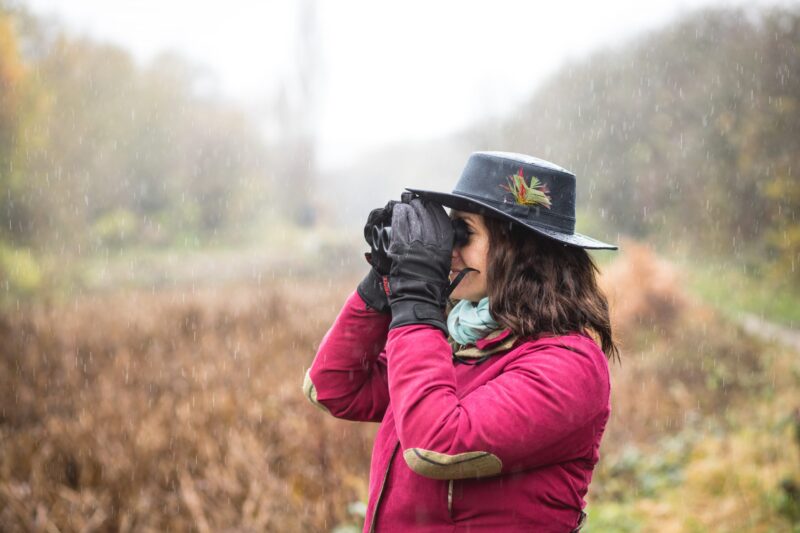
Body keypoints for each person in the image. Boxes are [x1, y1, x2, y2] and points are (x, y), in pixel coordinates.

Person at [303, 151, 619, 532]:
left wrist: (417, 301)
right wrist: (384, 283)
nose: (447, 252)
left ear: (523, 250)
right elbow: (334, 387)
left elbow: (438, 445)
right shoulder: (460, 342)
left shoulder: (569, 365)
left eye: (463, 233)